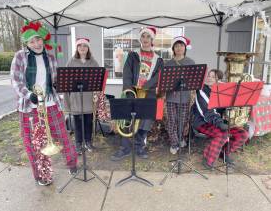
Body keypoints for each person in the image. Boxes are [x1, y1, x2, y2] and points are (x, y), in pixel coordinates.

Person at [10, 21, 78, 186]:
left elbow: (53, 80)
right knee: (34, 144)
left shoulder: (51, 57)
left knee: (63, 136)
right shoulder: (20, 56)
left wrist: (60, 85)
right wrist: (29, 95)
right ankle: (41, 174)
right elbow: (15, 81)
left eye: (38, 39)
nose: (36, 43)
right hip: (29, 107)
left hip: (50, 104)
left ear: (43, 39)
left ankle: (72, 164)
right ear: (27, 43)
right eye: (32, 41)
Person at [111, 27, 163, 161]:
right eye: (143, 36)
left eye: (148, 37)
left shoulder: (158, 59)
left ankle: (140, 147)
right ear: (140, 39)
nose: (145, 39)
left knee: (145, 120)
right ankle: (125, 148)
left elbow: (159, 76)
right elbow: (127, 73)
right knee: (128, 119)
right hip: (133, 92)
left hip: (149, 93)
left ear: (152, 40)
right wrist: (129, 90)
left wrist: (146, 86)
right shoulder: (133, 55)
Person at [193, 69, 249, 169]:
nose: (209, 78)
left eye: (213, 77)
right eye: (208, 76)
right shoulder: (201, 91)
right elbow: (207, 112)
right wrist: (220, 123)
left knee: (243, 134)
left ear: (218, 79)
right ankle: (208, 159)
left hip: (218, 121)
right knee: (223, 134)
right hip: (203, 122)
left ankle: (224, 153)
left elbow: (225, 108)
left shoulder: (222, 91)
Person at [63, 38, 99, 154]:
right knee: (77, 123)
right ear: (77, 48)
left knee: (88, 122)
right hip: (76, 98)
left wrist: (96, 95)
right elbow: (66, 83)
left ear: (88, 48)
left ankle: (88, 142)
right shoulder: (71, 62)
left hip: (89, 98)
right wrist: (67, 102)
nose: (82, 48)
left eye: (85, 46)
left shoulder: (93, 62)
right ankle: (78, 144)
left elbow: (98, 79)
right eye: (80, 46)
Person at [165, 36, 195, 154]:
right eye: (176, 46)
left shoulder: (190, 62)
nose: (179, 48)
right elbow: (165, 81)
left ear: (185, 48)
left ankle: (181, 138)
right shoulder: (168, 63)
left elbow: (193, 81)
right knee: (172, 121)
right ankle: (174, 143)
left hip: (184, 96)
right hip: (171, 97)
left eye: (181, 45)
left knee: (182, 121)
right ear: (173, 48)